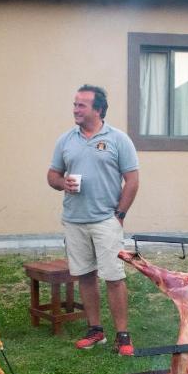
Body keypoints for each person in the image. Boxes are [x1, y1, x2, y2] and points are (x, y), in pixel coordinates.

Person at [47, 85, 140, 355]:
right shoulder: (66, 140)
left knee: (114, 277)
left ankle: (122, 335)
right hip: (74, 220)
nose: (75, 109)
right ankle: (95, 330)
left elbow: (132, 181)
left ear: (97, 109)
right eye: (75, 104)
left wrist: (120, 214)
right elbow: (52, 175)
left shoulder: (118, 139)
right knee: (85, 276)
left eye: (81, 105)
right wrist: (63, 182)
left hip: (105, 220)